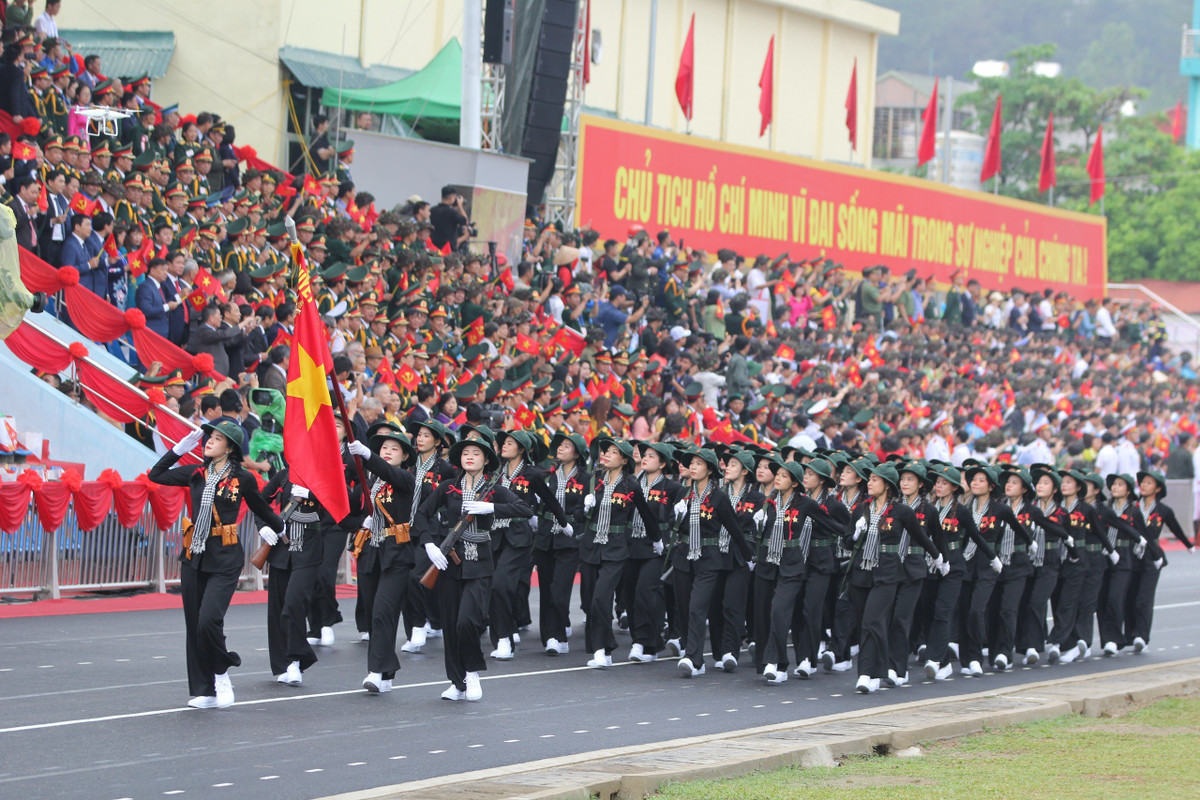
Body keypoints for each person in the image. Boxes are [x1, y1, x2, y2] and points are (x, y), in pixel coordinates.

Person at [148, 421, 283, 709]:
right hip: (194, 555)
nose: (210, 441)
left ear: (230, 448)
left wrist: (277, 529)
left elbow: (262, 509)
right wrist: (177, 450)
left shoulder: (242, 478)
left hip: (225, 557)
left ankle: (221, 673)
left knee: (210, 619)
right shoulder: (196, 473)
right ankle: (204, 690)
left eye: (218, 438)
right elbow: (156, 475)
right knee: (195, 624)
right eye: (210, 436)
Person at [413, 438, 531, 701]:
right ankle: (457, 683)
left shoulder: (493, 490)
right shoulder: (448, 488)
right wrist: (430, 544)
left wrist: (491, 507)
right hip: (450, 564)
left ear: (486, 460)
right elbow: (421, 514)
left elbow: (524, 508)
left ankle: (472, 672)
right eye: (465, 453)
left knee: (467, 621)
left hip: (480, 565)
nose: (469, 457)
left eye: (476, 453)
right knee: (451, 626)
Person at [842, 463, 943, 693]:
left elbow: (922, 537)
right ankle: (879, 669)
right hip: (861, 573)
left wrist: (939, 558)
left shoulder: (902, 512)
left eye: (874, 480)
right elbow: (846, 541)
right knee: (867, 624)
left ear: (886, 485)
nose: (869, 483)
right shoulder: (860, 509)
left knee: (872, 620)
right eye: (869, 479)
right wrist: (856, 534)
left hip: (888, 573)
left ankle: (866, 674)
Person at [345, 428, 418, 693]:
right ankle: (386, 670)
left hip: (396, 553)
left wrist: (367, 455)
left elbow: (391, 474)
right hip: (370, 553)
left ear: (404, 456)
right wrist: (358, 522)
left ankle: (375, 671)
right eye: (383, 448)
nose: (387, 452)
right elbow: (344, 514)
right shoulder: (368, 483)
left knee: (383, 612)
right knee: (373, 612)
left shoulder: (405, 479)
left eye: (394, 449)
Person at [578, 437, 660, 669]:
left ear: (624, 459)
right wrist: (583, 507)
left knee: (601, 598)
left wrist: (657, 541)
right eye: (606, 451)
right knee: (591, 600)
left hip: (615, 548)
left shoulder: (630, 485)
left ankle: (604, 649)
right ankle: (598, 648)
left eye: (614, 452)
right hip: (592, 545)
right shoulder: (593, 480)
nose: (606, 455)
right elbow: (576, 514)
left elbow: (645, 514)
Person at [672, 449, 754, 677]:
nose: (694, 467)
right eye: (692, 463)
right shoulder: (683, 492)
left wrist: (749, 557)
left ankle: (694, 658)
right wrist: (676, 515)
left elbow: (734, 529)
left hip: (709, 558)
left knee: (698, 607)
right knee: (685, 608)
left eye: (699, 464)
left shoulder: (718, 497)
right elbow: (674, 527)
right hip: (684, 556)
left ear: (710, 469)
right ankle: (693, 653)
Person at [487, 431, 567, 661]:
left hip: (519, 536)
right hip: (495, 534)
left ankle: (505, 638)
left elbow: (550, 501)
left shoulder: (532, 474)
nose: (504, 446)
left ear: (521, 449)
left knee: (503, 584)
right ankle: (503, 637)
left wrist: (564, 524)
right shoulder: (496, 472)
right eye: (503, 443)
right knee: (495, 587)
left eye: (510, 443)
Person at [258, 468, 326, 686]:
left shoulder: (324, 473)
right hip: (281, 549)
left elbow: (341, 505)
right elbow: (259, 501)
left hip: (308, 547)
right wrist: (264, 527)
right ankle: (284, 663)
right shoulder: (284, 475)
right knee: (277, 609)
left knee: (294, 603)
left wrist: (313, 494)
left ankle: (296, 658)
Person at [534, 432, 590, 655]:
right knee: (546, 590)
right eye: (560, 446)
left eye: (567, 446)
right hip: (546, 537)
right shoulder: (547, 476)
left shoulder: (586, 479)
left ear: (576, 453)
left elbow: (582, 512)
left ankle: (558, 634)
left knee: (560, 589)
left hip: (569, 540)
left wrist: (582, 510)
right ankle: (549, 636)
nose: (560, 449)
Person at [1125, 471, 1194, 652]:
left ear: (1158, 488)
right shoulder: (1131, 507)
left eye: (1149, 483)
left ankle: (1142, 637)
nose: (1144, 485)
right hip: (1132, 555)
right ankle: (1130, 635)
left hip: (1152, 557)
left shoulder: (1163, 510)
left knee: (1144, 599)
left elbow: (1176, 529)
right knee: (1129, 597)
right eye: (1143, 482)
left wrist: (1189, 545)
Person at [1096, 474, 1146, 657]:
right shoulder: (1104, 509)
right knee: (1102, 600)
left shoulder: (1134, 512)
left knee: (1115, 598)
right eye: (1113, 485)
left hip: (1124, 558)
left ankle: (1116, 639)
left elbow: (1141, 536)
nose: (1115, 488)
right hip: (1104, 557)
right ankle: (1107, 639)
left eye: (1120, 485)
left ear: (1129, 490)